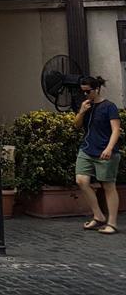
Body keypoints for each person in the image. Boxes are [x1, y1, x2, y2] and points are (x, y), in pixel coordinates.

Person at [75, 75, 120, 235]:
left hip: (105, 150)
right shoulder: (86, 106)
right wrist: (81, 112)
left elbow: (116, 129)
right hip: (87, 149)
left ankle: (112, 223)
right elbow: (77, 125)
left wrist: (109, 148)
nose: (85, 95)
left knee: (108, 186)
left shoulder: (109, 107)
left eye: (88, 92)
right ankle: (98, 215)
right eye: (83, 92)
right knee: (81, 180)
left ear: (97, 89)